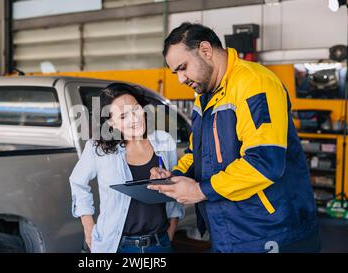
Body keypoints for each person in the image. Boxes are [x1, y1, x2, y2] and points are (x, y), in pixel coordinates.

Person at [149, 22, 320, 253]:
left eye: (183, 67)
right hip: (229, 230)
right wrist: (174, 177)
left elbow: (264, 162)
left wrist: (200, 191)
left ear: (206, 51)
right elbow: (196, 154)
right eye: (175, 72)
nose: (180, 79)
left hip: (270, 230)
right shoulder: (203, 97)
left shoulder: (254, 83)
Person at [69, 83, 184, 253]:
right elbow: (78, 182)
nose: (135, 119)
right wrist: (88, 227)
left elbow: (174, 186)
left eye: (136, 109)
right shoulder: (97, 148)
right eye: (123, 116)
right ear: (111, 122)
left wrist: (172, 228)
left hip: (159, 243)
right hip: (116, 245)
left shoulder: (164, 140)